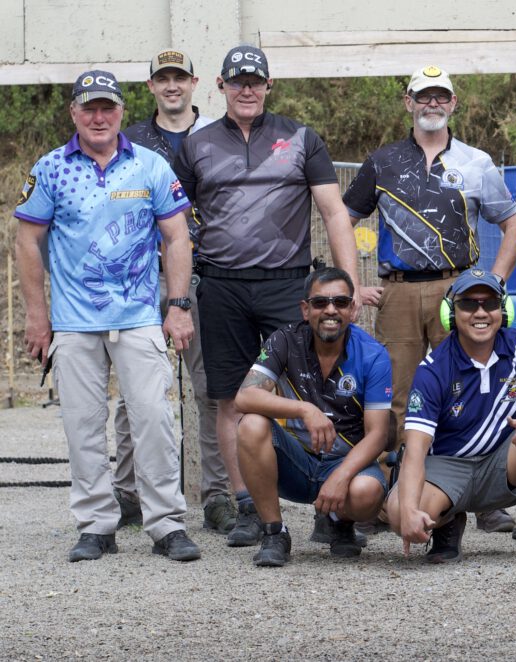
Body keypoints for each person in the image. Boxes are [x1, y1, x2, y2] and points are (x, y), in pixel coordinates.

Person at [172, 44, 361, 548]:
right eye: (237, 82)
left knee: (313, 391)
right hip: (222, 286)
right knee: (231, 397)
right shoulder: (196, 145)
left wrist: (348, 282)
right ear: (221, 87)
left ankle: (331, 506)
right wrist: (177, 297)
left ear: (269, 85)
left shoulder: (300, 137)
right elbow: (174, 224)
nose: (247, 89)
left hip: (288, 283)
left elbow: (335, 212)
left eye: (255, 80)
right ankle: (247, 508)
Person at [15, 70, 200, 562]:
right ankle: (97, 524)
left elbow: (177, 237)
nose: (99, 117)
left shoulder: (152, 165)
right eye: (88, 108)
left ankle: (165, 524)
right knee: (82, 424)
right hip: (74, 321)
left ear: (121, 112)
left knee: (155, 419)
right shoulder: (51, 168)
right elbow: (27, 240)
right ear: (74, 112)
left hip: (140, 315)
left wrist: (178, 307)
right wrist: (38, 316)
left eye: (108, 108)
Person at [344, 64, 516, 534]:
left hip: (460, 290)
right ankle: (393, 498)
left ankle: (483, 500)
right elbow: (339, 217)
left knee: (472, 389)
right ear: (408, 102)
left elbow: (515, 224)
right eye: (423, 96)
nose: (432, 104)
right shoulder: (381, 161)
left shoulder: (477, 162)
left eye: (440, 96)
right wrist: (350, 282)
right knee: (394, 398)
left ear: (453, 103)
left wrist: (497, 281)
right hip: (398, 291)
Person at [114, 49, 231, 534]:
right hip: (139, 276)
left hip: (206, 273)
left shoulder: (219, 138)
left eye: (179, 78)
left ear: (194, 83)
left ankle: (217, 494)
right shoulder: (129, 140)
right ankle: (126, 492)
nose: (171, 86)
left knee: (211, 389)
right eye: (162, 79)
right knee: (132, 392)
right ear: (151, 87)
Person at [387, 270, 516, 562]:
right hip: (447, 468)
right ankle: (447, 523)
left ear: (502, 310)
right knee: (400, 511)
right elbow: (414, 450)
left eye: (489, 303)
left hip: (504, 463)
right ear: (451, 313)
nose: (480, 312)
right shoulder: (432, 368)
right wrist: (410, 512)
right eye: (468, 304)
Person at [234, 268, 391, 566]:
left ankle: (338, 521)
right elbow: (244, 396)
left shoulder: (373, 354)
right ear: (306, 310)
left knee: (367, 492)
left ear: (352, 309)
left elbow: (378, 435)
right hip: (296, 462)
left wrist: (341, 477)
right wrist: (305, 409)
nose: (330, 310)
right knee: (251, 423)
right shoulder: (284, 340)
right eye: (320, 303)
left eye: (341, 302)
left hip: (346, 464)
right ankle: (274, 532)